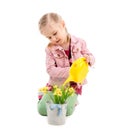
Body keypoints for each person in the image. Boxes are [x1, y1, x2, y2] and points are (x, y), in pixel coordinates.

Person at [37, 12, 95, 116]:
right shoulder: (50, 49)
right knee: (41, 110)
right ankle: (44, 97)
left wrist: (89, 59)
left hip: (73, 86)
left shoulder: (80, 42)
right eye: (49, 37)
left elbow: (90, 56)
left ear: (63, 24)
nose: (53, 39)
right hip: (56, 84)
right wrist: (70, 71)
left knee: (66, 111)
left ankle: (69, 101)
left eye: (54, 33)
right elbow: (50, 69)